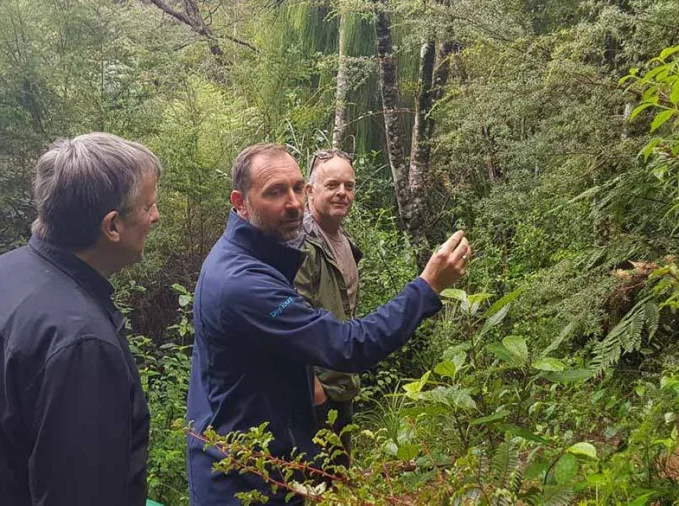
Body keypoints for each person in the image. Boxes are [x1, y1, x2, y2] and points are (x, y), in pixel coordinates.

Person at [186, 143, 470, 505]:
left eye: (294, 187)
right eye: (274, 192)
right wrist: (427, 287)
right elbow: (346, 344)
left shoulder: (264, 253)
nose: (292, 203)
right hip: (243, 480)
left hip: (268, 457)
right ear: (239, 202)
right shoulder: (243, 282)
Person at [0, 133, 161, 506]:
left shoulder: (1, 274)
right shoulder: (79, 344)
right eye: (148, 205)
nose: (155, 216)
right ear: (112, 226)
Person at [294, 149, 362, 464]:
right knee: (319, 480)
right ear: (310, 191)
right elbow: (293, 318)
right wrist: (311, 383)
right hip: (318, 390)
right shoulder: (301, 244)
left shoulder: (342, 241)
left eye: (348, 186)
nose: (342, 193)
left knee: (340, 477)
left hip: (341, 379)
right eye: (332, 185)